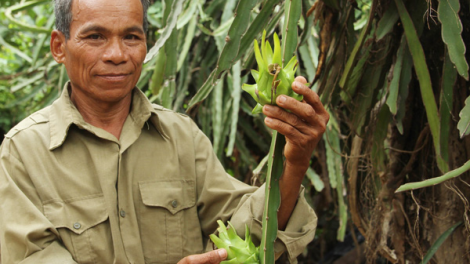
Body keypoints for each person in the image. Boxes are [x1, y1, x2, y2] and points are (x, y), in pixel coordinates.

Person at [0, 0, 329, 263]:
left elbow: (246, 237)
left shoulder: (181, 136)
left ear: (146, 45)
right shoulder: (23, 151)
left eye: (131, 36)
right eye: (95, 36)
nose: (117, 55)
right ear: (59, 47)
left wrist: (295, 162)